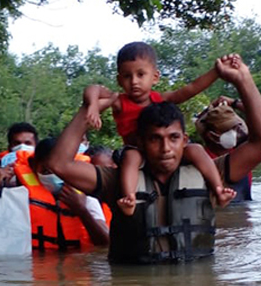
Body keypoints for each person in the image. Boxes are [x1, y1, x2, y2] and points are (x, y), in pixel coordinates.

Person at [47, 54, 261, 264]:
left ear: (184, 140)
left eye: (173, 138)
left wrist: (243, 80)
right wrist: (90, 109)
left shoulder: (207, 173)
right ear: (141, 142)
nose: (165, 148)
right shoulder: (117, 180)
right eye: (155, 139)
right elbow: (59, 164)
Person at [83, 41, 237, 215]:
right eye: (127, 76)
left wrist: (216, 72)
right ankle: (129, 198)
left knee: (196, 149)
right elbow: (93, 89)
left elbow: (190, 89)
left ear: (155, 77)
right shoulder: (119, 101)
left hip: (164, 152)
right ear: (119, 80)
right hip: (137, 151)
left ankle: (219, 189)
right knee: (131, 157)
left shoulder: (160, 99)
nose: (134, 81)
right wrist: (93, 106)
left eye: (141, 74)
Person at [12, 137, 110, 250]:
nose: (56, 176)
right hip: (36, 264)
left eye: (60, 170)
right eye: (47, 170)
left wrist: (82, 211)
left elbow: (105, 243)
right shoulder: (19, 196)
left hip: (76, 265)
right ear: (33, 165)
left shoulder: (86, 199)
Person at [195, 96, 253, 201]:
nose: (236, 132)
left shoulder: (242, 152)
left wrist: (234, 103)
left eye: (236, 127)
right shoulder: (201, 159)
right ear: (212, 136)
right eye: (229, 129)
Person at [0, 122, 39, 187]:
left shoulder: (44, 168)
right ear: (10, 147)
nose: (22, 146)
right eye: (17, 143)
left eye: (27, 143)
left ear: (36, 146)